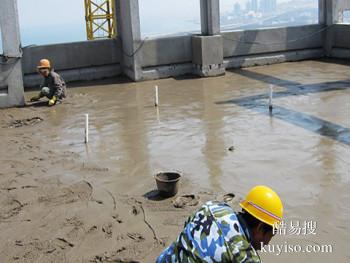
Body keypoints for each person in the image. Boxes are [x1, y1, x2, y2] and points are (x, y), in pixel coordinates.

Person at [156, 185, 284, 263]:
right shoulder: (246, 257)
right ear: (261, 227)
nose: (267, 244)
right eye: (271, 235)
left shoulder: (214, 206)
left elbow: (188, 226)